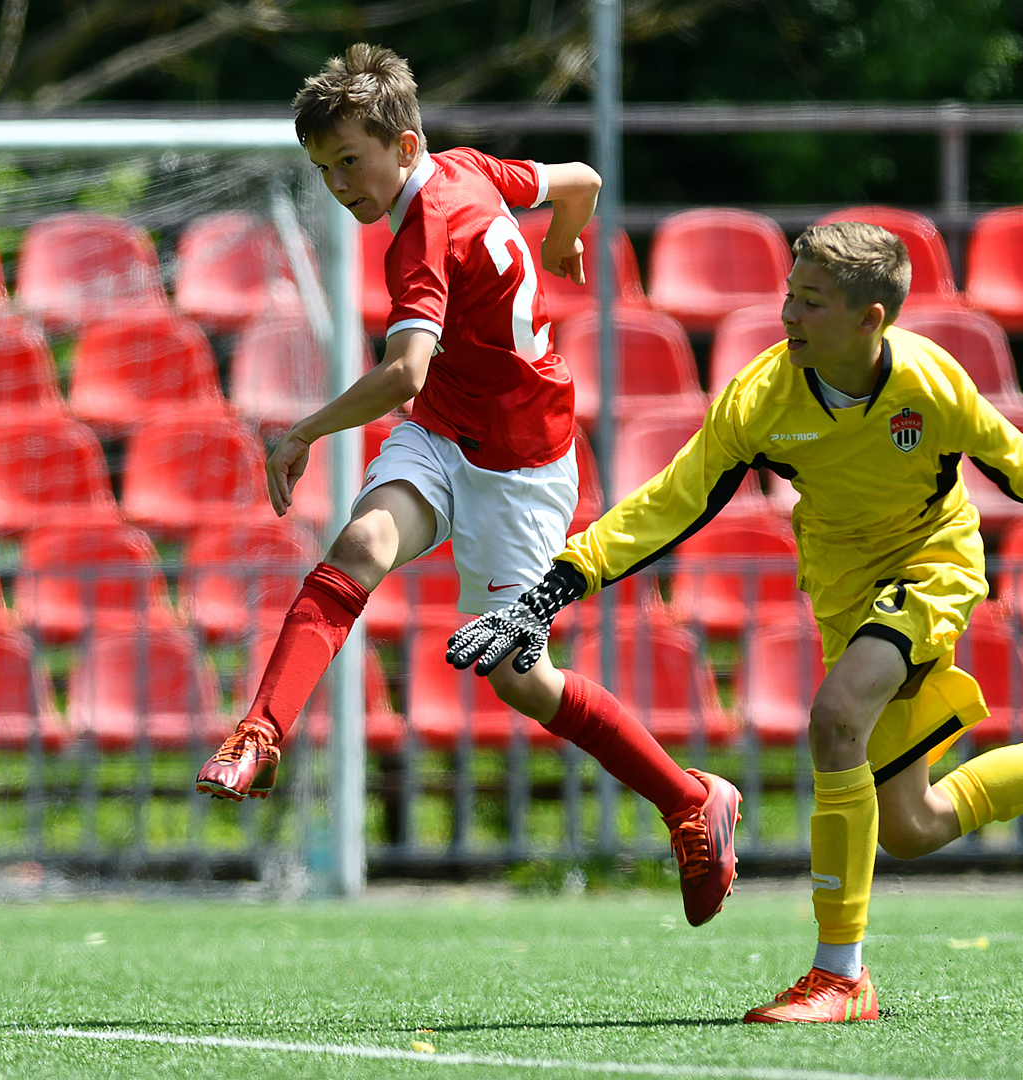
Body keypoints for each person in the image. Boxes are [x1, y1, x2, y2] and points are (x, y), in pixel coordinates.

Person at [447, 220, 1023, 1022]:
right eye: (789, 294)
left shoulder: (932, 387)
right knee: (915, 826)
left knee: (833, 720)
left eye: (811, 303)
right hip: (842, 591)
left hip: (934, 570)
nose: (787, 316)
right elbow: (664, 508)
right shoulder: (762, 398)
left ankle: (840, 977)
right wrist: (542, 596)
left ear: (871, 320)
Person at [195, 43, 741, 927]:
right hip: (447, 436)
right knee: (360, 544)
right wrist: (563, 242)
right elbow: (581, 180)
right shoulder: (465, 168)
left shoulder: (423, 229)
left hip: (521, 470)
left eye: (349, 162)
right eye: (324, 168)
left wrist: (301, 431)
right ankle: (259, 732)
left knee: (523, 683)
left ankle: (688, 798)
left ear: (403, 147)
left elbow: (404, 372)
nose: (338, 184)